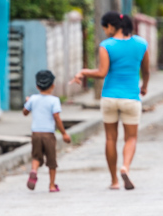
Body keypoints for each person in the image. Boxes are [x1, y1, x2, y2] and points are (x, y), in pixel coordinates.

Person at [71, 12, 149, 190]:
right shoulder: (141, 44)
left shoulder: (106, 45)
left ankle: (114, 180)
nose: (105, 31)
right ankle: (125, 167)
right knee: (131, 138)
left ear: (112, 27)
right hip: (131, 97)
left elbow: (101, 73)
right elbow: (146, 71)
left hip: (109, 97)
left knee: (110, 139)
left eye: (105, 27)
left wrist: (83, 72)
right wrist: (144, 86)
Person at [22, 70, 72, 192]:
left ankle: (34, 171)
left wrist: (27, 102)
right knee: (51, 160)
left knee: (36, 156)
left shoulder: (33, 99)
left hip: (35, 134)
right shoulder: (54, 100)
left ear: (37, 86)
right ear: (53, 86)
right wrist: (64, 133)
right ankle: (52, 185)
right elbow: (56, 118)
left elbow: (25, 113)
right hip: (48, 134)